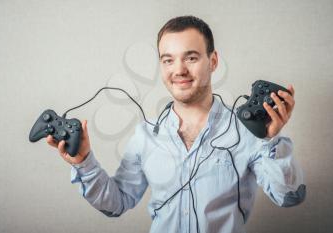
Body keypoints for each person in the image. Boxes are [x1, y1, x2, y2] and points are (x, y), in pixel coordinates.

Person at [46, 15, 306, 233]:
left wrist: (271, 140)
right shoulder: (146, 135)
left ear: (213, 61)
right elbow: (117, 203)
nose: (178, 70)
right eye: (168, 60)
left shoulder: (247, 132)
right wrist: (84, 163)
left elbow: (289, 196)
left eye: (191, 57)